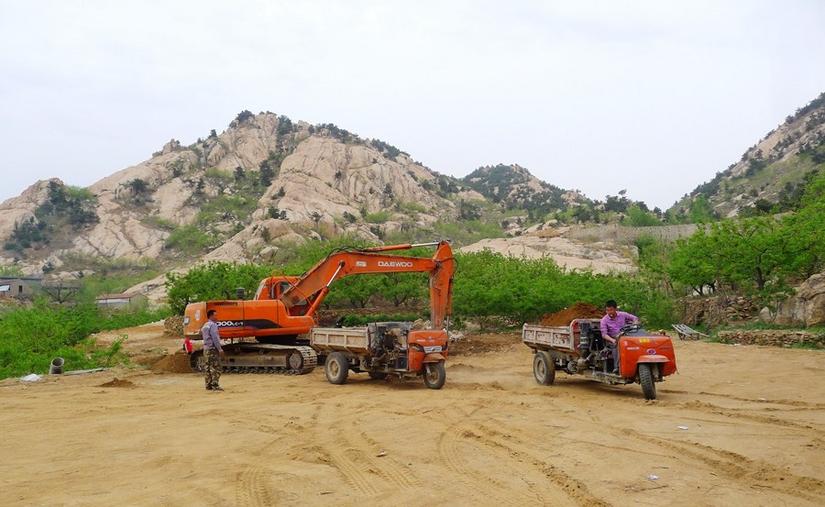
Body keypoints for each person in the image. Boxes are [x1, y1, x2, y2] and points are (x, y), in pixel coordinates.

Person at [599, 300, 638, 373]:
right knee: (617, 345)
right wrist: (612, 340)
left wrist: (634, 326)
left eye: (611, 310)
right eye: (607, 310)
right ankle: (617, 367)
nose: (609, 312)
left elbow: (635, 318)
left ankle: (636, 364)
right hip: (612, 339)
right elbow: (604, 335)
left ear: (615, 309)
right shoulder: (604, 320)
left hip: (626, 336)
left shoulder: (623, 314)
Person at [201, 309, 225, 391]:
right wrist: (220, 349)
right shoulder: (213, 325)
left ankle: (208, 385)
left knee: (207, 367)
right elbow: (215, 338)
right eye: (215, 315)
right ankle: (215, 385)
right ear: (211, 316)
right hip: (212, 349)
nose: (217, 316)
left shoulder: (205, 325)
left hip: (206, 349)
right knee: (216, 367)